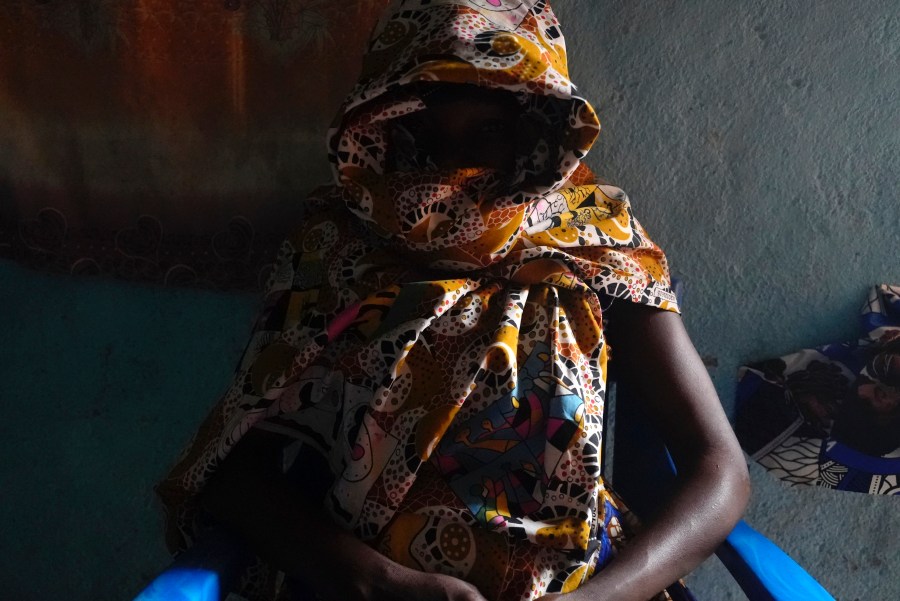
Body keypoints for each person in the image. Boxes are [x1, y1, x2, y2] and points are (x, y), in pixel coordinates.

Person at [156, 2, 750, 600]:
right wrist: (376, 582)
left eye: (486, 132)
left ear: (538, 125)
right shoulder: (334, 249)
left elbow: (718, 471)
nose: (451, 168)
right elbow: (232, 471)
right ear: (382, 126)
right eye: (423, 133)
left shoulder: (596, 241)